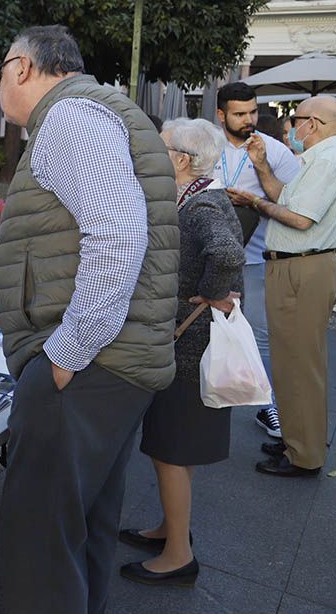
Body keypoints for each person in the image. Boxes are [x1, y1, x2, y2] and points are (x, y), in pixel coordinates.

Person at [0, 25, 179, 613]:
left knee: (40, 539)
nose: (0, 83)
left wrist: (66, 353)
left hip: (90, 366)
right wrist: (10, 298)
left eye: (2, 68)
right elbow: (74, 237)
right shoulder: (96, 112)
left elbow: (116, 236)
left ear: (25, 68)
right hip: (116, 363)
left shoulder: (69, 117)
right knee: (79, 529)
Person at [119, 118, 245, 588]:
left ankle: (178, 555)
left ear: (181, 160)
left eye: (162, 145)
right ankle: (170, 530)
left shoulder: (201, 206)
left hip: (189, 348)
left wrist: (212, 292)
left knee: (171, 449)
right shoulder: (203, 196)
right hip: (189, 347)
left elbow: (228, 254)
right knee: (175, 448)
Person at [229, 95, 336, 477]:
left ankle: (304, 454)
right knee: (292, 363)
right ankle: (296, 438)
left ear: (316, 124)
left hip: (303, 267)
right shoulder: (316, 159)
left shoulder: (327, 160)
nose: (290, 126)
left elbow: (299, 219)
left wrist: (253, 203)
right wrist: (260, 167)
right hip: (296, 268)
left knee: (299, 366)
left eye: (296, 118)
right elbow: (285, 197)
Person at [213, 81, 300, 440]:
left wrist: (261, 172)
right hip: (209, 251)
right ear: (221, 115)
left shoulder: (275, 151)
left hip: (254, 256)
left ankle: (268, 405)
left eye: (252, 112)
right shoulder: (205, 142)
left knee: (261, 334)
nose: (248, 120)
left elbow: (292, 204)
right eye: (239, 114)